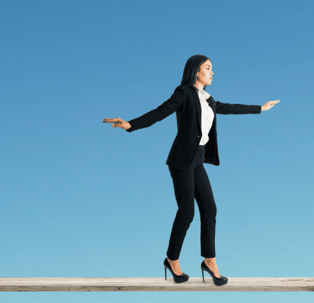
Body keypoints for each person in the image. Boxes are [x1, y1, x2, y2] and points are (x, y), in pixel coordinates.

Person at [103, 54, 279, 286]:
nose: (212, 72)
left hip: (197, 160)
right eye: (208, 68)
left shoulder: (208, 99)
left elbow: (228, 107)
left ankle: (209, 260)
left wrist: (260, 108)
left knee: (210, 209)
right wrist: (131, 124)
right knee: (187, 212)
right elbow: (161, 111)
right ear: (196, 71)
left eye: (212, 68)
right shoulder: (183, 93)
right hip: (180, 160)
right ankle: (171, 259)